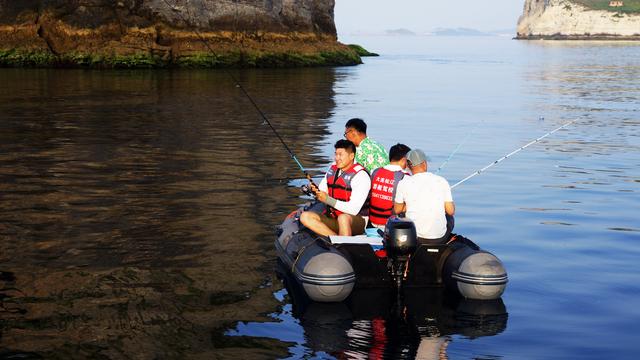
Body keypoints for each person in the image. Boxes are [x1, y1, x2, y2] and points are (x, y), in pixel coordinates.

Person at [300, 139, 371, 236]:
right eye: (336, 154)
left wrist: (328, 200)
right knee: (305, 217)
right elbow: (322, 189)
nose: (337, 158)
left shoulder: (361, 176)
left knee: (343, 218)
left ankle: (345, 246)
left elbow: (353, 210)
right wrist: (314, 191)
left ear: (351, 156)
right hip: (334, 216)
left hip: (356, 221)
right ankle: (336, 241)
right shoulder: (333, 168)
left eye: (340, 155)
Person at [394, 149, 455, 243]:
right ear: (424, 164)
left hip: (414, 237)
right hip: (439, 238)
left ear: (409, 167)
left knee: (402, 215)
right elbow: (451, 211)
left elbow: (397, 210)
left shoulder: (403, 183)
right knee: (450, 218)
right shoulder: (442, 181)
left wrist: (407, 207)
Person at [369, 143, 411, 228]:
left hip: (373, 220)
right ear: (404, 160)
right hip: (391, 224)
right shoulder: (405, 177)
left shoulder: (375, 172)